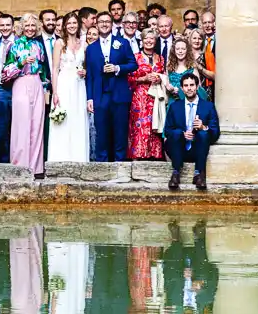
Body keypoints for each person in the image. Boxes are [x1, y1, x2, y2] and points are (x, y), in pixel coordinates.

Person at [2, 13, 52, 176]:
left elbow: (44, 69)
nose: (30, 29)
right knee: (22, 125)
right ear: (21, 27)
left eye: (33, 26)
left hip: (37, 83)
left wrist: (46, 89)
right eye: (27, 25)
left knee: (37, 125)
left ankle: (36, 168)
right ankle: (19, 167)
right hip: (21, 82)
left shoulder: (39, 45)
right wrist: (20, 63)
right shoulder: (14, 46)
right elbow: (5, 74)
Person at [85, 12, 136, 162]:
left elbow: (133, 64)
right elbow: (90, 76)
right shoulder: (91, 48)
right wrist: (89, 98)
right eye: (101, 21)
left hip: (119, 94)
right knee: (101, 132)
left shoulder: (123, 43)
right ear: (97, 24)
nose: (104, 24)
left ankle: (120, 165)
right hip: (100, 95)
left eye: (107, 21)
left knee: (120, 132)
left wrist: (117, 68)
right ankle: (102, 164)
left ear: (112, 24)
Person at [163, 72, 218, 190]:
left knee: (203, 134)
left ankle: (199, 174)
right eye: (186, 86)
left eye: (192, 85)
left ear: (197, 87)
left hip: (198, 150)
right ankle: (176, 173)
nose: (189, 88)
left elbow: (215, 132)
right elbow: (167, 131)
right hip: (178, 148)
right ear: (182, 88)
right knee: (176, 133)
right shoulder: (174, 106)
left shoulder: (208, 106)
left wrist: (203, 127)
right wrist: (183, 134)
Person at [48, 12, 91, 162]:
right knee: (63, 121)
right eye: (69, 23)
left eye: (74, 23)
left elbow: (88, 67)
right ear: (65, 26)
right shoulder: (59, 43)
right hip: (64, 84)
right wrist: (54, 92)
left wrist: (85, 72)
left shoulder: (84, 44)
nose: (72, 26)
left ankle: (78, 159)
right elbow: (54, 68)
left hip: (79, 86)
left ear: (78, 25)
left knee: (78, 119)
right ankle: (60, 159)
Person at [127, 25, 166, 160]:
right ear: (141, 41)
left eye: (152, 39)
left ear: (155, 41)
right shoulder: (135, 57)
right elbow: (129, 78)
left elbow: (165, 76)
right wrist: (144, 78)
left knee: (155, 124)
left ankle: (154, 156)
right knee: (139, 125)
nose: (149, 41)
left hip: (156, 96)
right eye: (146, 39)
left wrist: (159, 78)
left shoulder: (161, 58)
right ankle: (137, 156)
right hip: (140, 96)